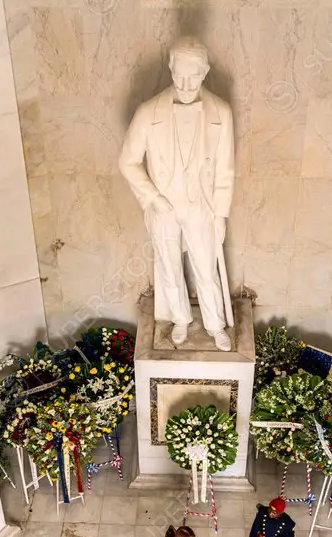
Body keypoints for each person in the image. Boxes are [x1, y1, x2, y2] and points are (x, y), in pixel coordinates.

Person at [118, 36, 236, 351]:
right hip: (163, 206)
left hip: (202, 207)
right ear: (170, 69)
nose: (185, 84)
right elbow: (127, 162)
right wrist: (153, 199)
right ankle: (181, 319)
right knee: (169, 267)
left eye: (193, 76)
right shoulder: (147, 112)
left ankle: (215, 325)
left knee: (205, 269)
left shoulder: (221, 113)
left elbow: (226, 169)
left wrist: (221, 214)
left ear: (205, 72)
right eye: (178, 75)